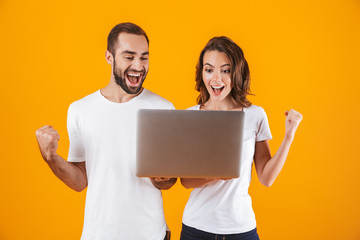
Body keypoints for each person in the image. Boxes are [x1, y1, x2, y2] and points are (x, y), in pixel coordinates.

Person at [35, 22, 176, 240]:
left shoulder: (163, 108)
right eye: (129, 57)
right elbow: (80, 181)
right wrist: (51, 158)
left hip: (151, 234)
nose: (138, 66)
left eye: (144, 57)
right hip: (98, 234)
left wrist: (164, 177)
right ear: (109, 57)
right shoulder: (80, 110)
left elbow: (168, 182)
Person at [180, 36, 303, 240]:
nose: (216, 79)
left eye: (225, 70)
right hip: (196, 228)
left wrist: (289, 136)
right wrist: (219, 173)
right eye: (209, 69)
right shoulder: (190, 116)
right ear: (201, 73)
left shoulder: (255, 115)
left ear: (237, 73)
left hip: (241, 229)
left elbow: (266, 178)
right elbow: (186, 180)